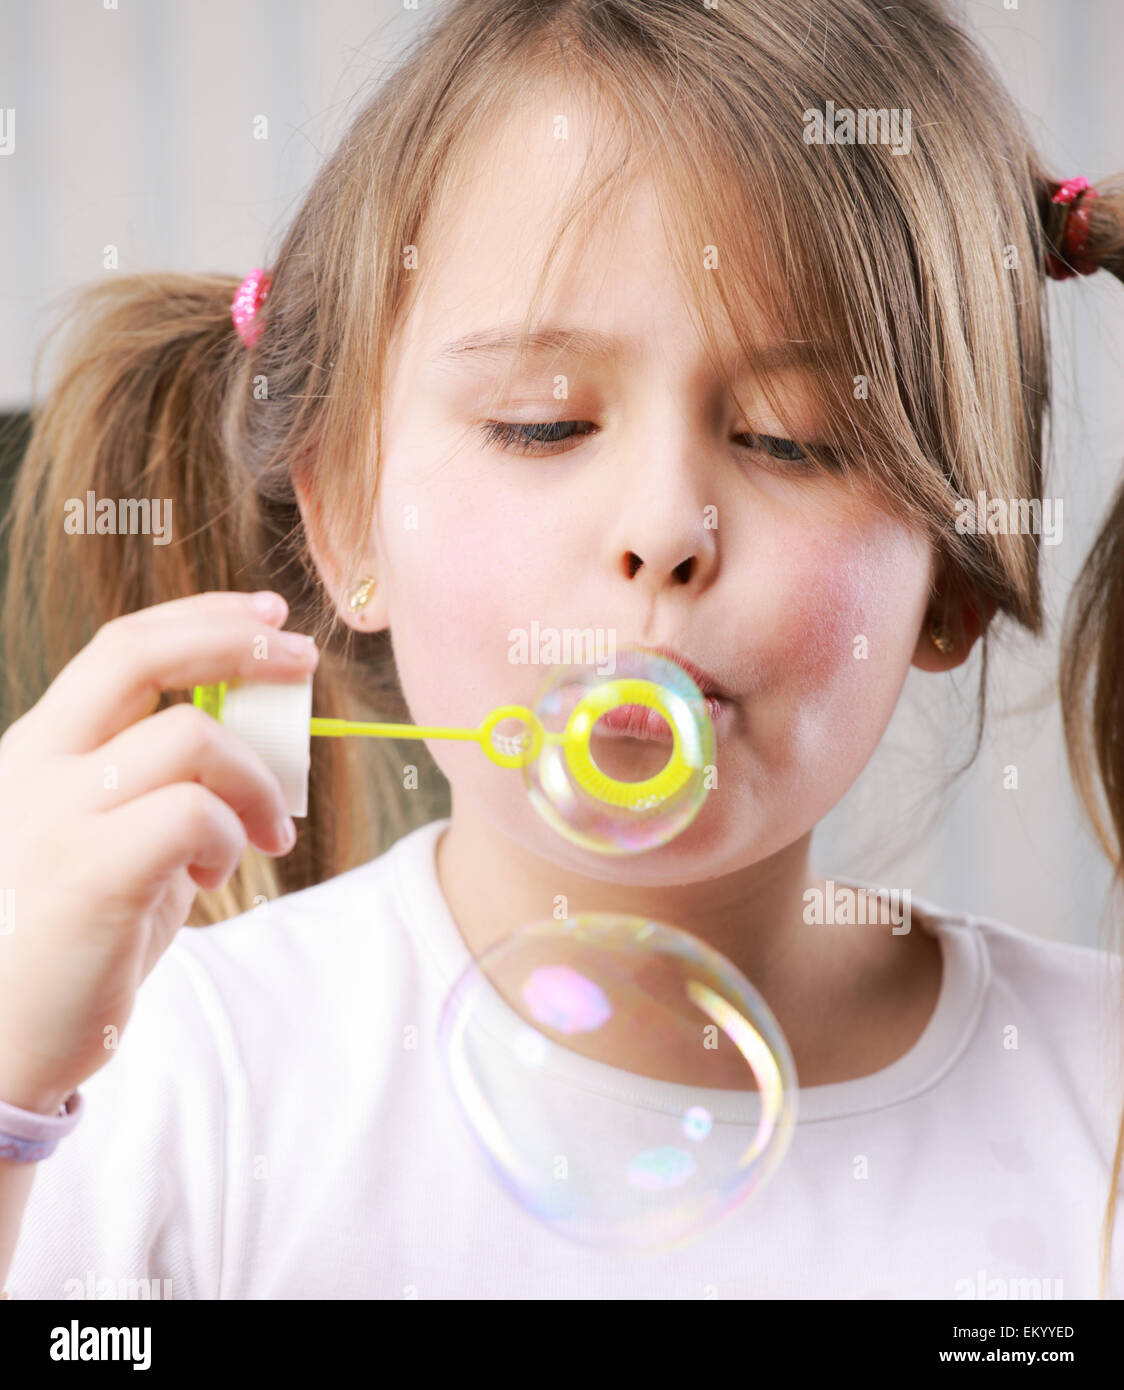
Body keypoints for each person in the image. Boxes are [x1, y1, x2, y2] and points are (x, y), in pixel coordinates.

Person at [1, 0, 1122, 1298]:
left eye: (791, 437)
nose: (663, 528)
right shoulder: (154, 1075)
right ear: (345, 511)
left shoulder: (1095, 1103)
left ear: (956, 579)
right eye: (542, 423)